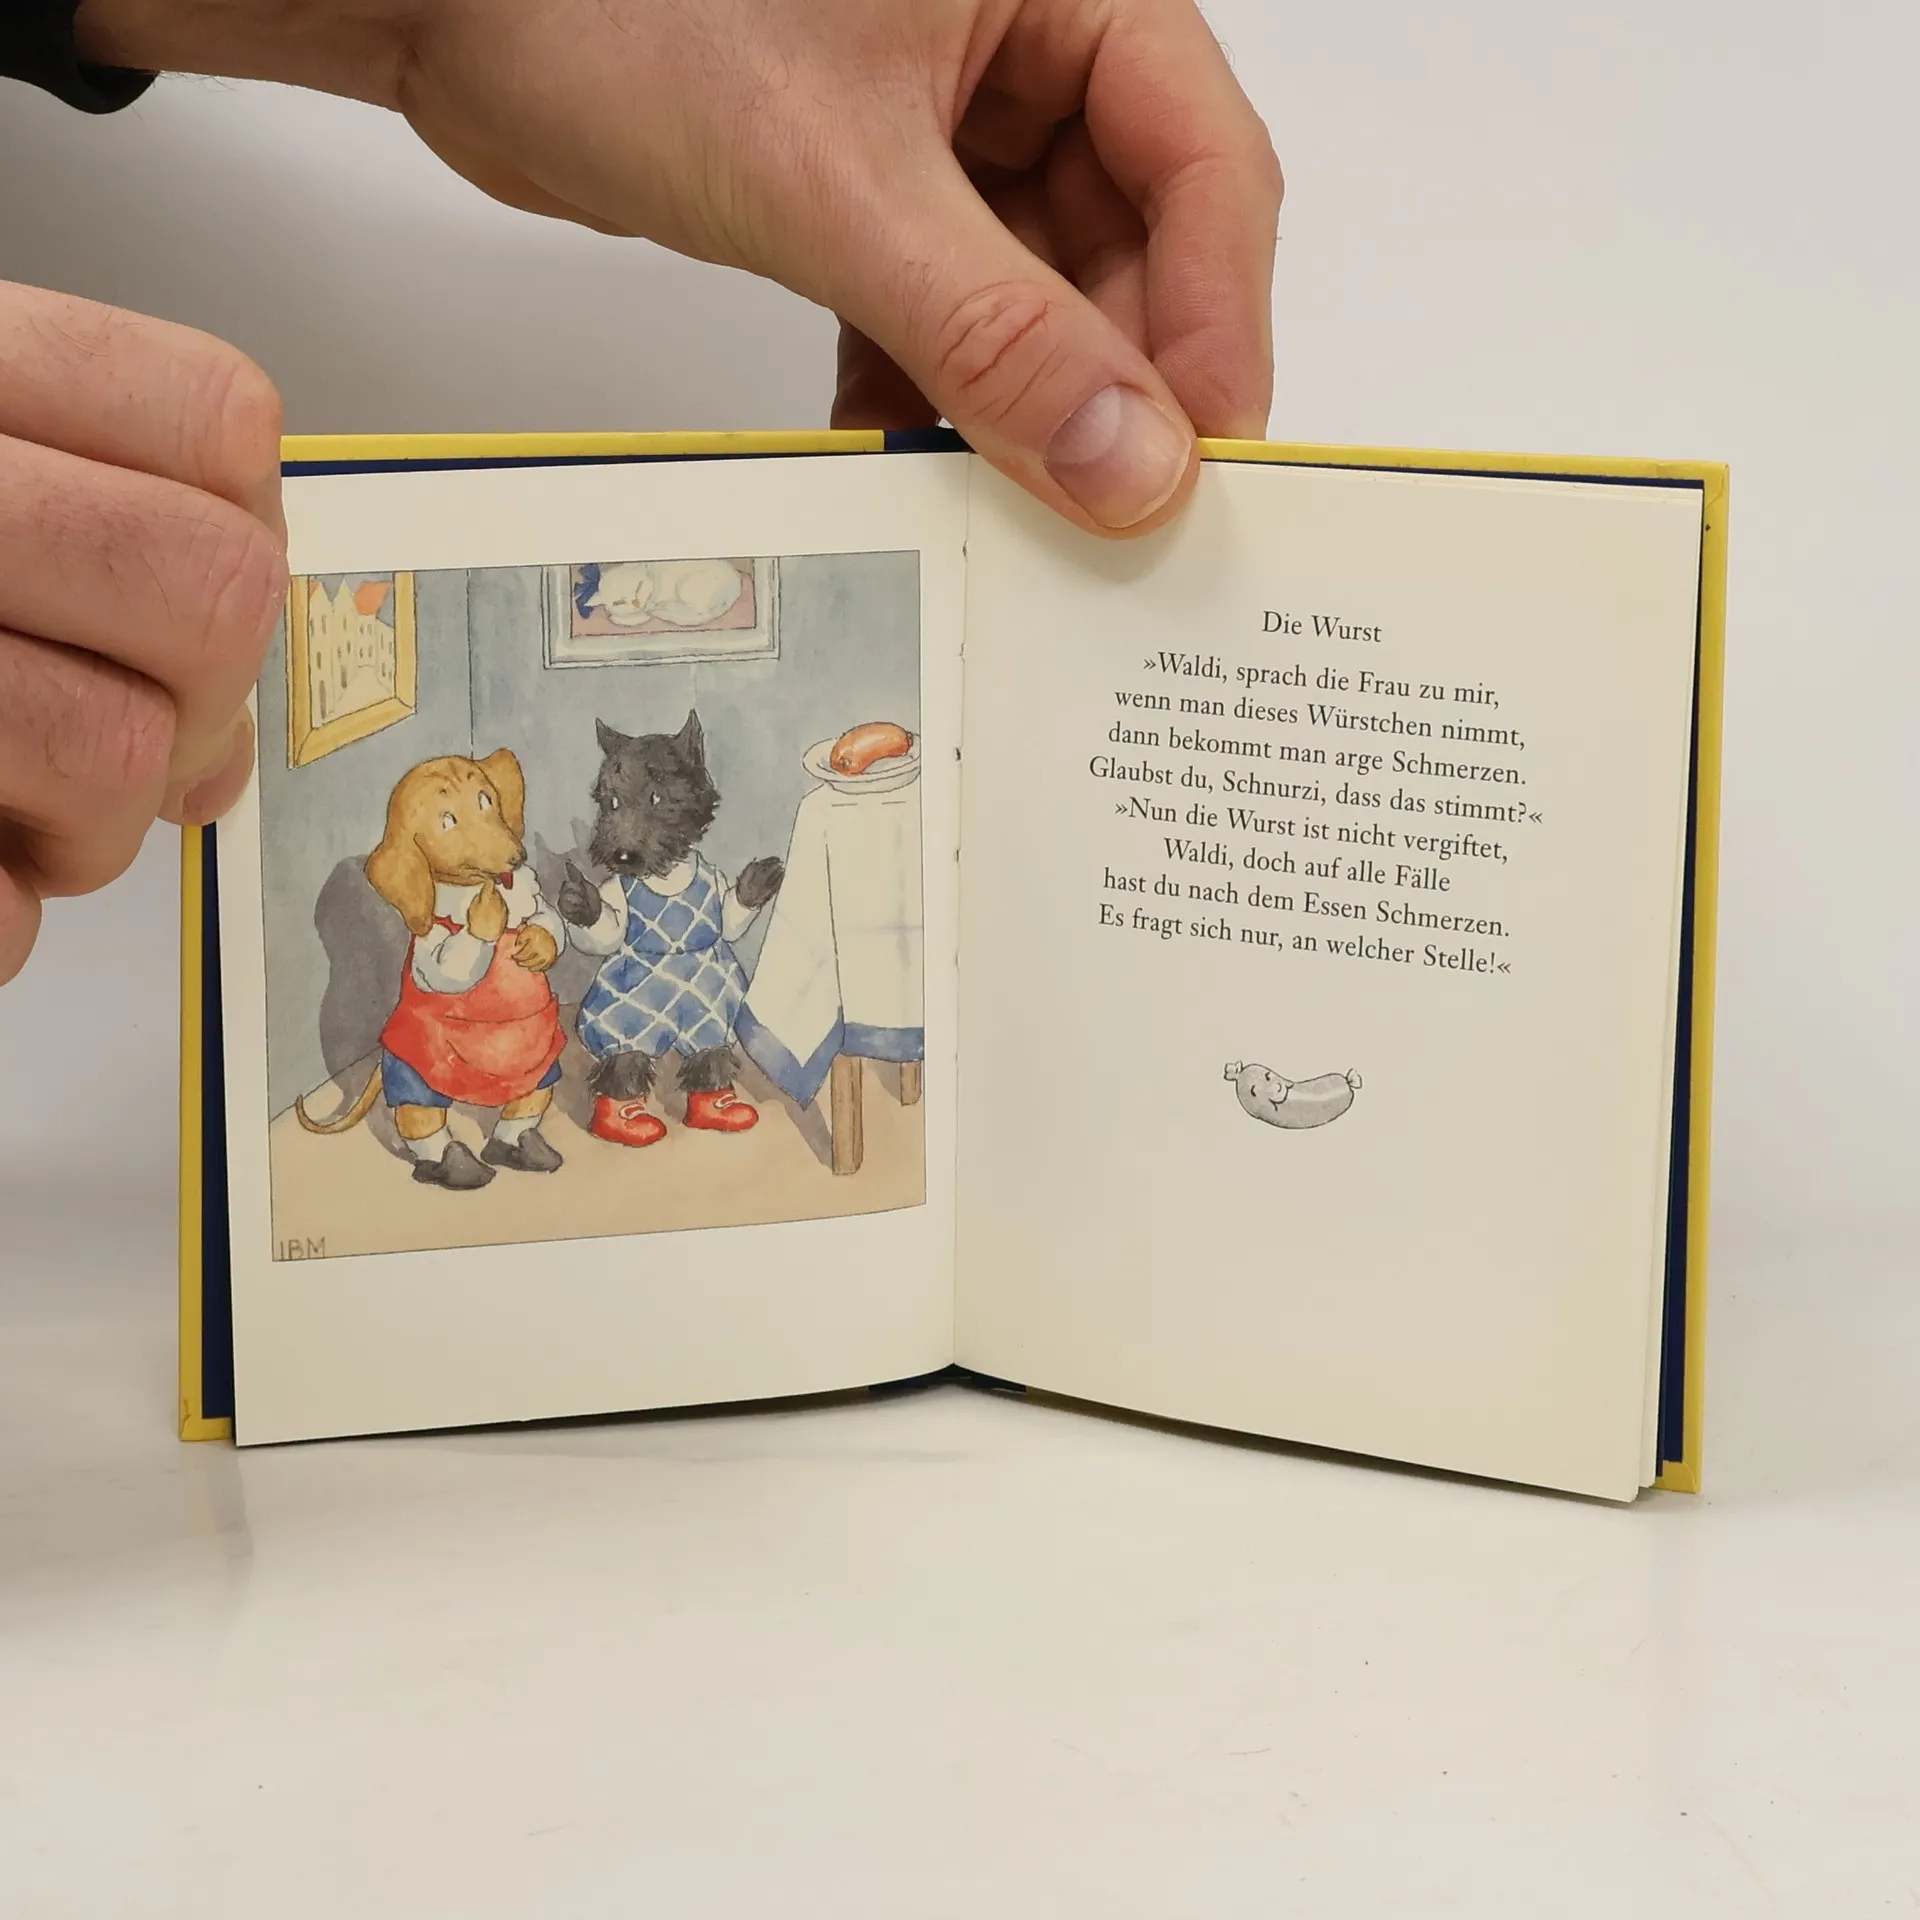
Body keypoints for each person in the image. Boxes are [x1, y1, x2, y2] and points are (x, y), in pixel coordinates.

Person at [0, 0, 1282, 986]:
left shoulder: (688, 861)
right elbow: (583, 930)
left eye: (635, 801)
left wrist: (436, 21)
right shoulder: (488, 885)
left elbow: (709, 914)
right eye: (622, 801)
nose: (620, 817)